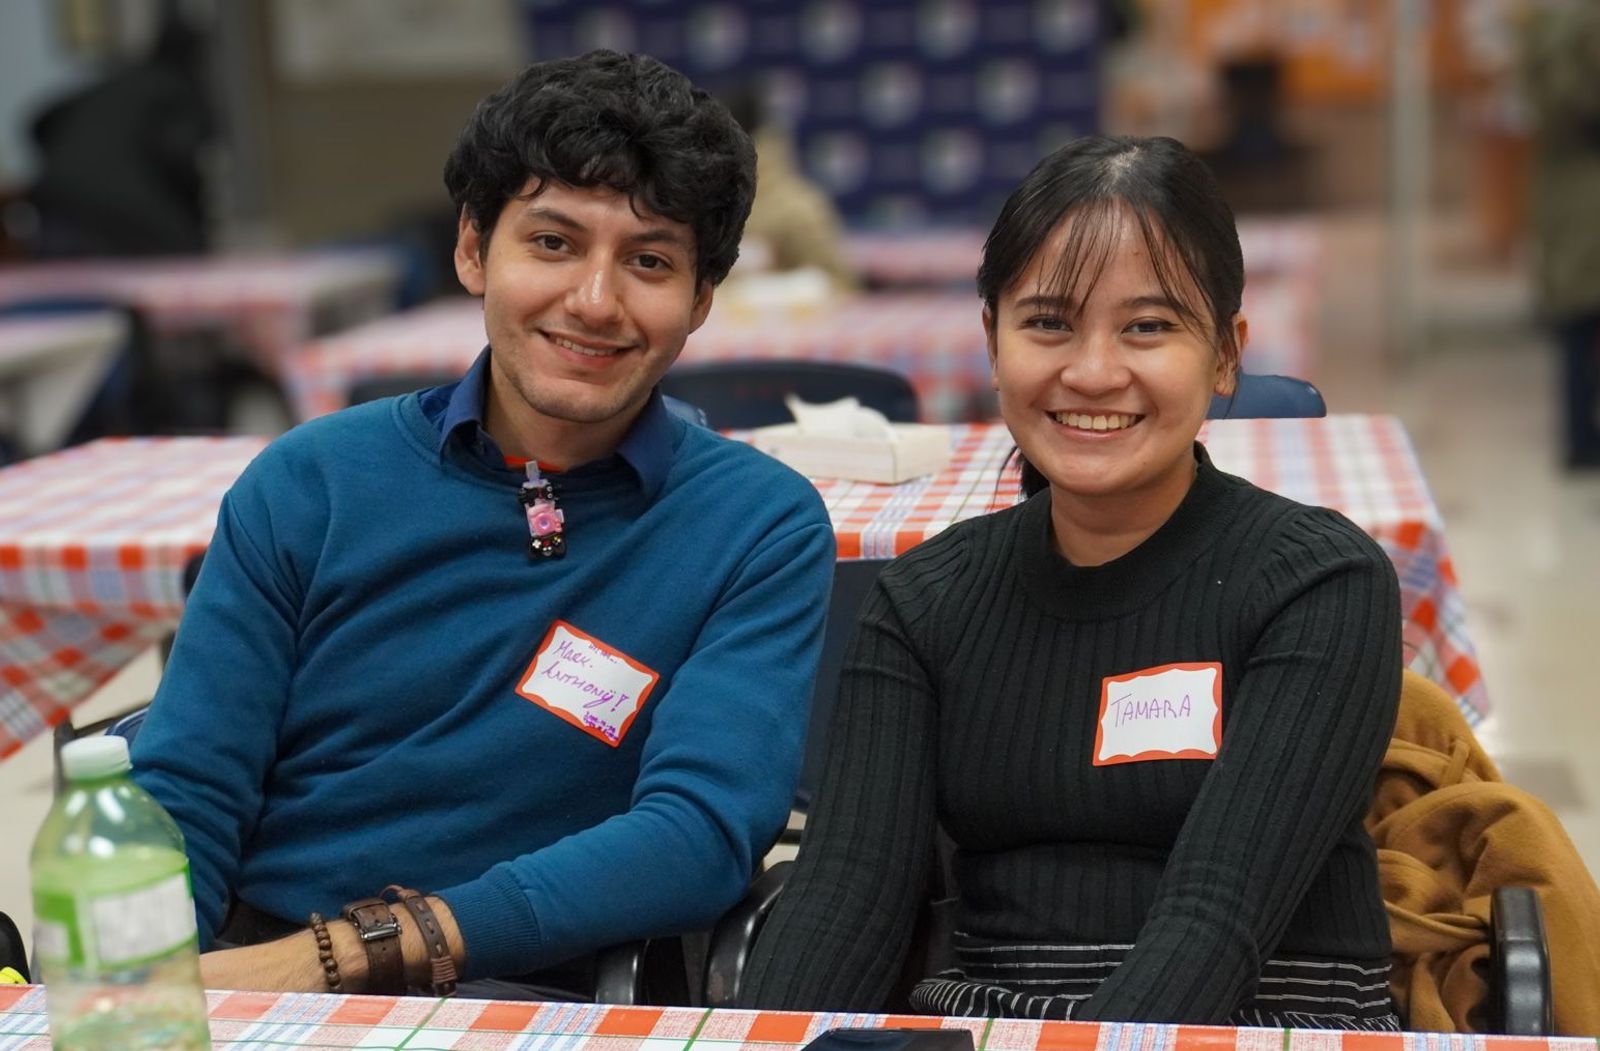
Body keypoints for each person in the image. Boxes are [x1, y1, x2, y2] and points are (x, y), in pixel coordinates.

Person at [130, 49, 835, 999]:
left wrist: (353, 950)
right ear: (472, 250)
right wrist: (140, 982)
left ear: (702, 300)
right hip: (257, 974)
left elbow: (699, 831)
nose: (594, 300)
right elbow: (188, 788)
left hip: (532, 986)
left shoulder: (758, 525)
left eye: (650, 260)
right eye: (552, 243)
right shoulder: (312, 481)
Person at [737, 135, 1404, 1028]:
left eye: (1149, 326)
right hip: (993, 1017)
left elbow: (1217, 919)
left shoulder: (1320, 583)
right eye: (1048, 322)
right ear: (992, 339)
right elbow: (847, 892)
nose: (1092, 372)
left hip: (1261, 1020)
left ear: (1226, 355)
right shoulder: (925, 602)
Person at [1521, 0, 1600, 469]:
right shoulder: (1580, 23)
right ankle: (1581, 437)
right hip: (1586, 190)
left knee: (1577, 320)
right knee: (1582, 323)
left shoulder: (1545, 24)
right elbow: (1582, 105)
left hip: (1565, 189)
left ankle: (1579, 434)